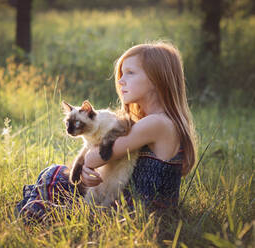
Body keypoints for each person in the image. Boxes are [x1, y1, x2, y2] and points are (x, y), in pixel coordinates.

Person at [15, 41, 197, 222]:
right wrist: (86, 170)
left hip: (134, 213)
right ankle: (37, 207)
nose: (120, 80)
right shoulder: (158, 121)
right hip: (129, 201)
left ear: (157, 79)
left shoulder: (156, 123)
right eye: (121, 74)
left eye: (130, 73)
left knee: (51, 177)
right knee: (57, 173)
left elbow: (99, 156)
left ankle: (35, 211)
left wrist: (86, 165)